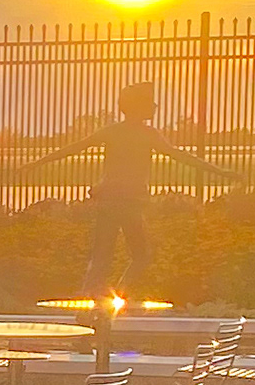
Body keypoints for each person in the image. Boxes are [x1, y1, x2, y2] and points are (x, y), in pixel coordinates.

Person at [77, 80, 211, 300]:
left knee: (103, 255)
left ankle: (94, 294)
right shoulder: (146, 134)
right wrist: (220, 171)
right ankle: (115, 295)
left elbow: (73, 148)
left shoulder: (116, 131)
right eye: (151, 102)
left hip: (112, 202)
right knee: (139, 255)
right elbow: (181, 156)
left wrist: (34, 164)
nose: (155, 106)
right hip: (128, 203)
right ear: (138, 106)